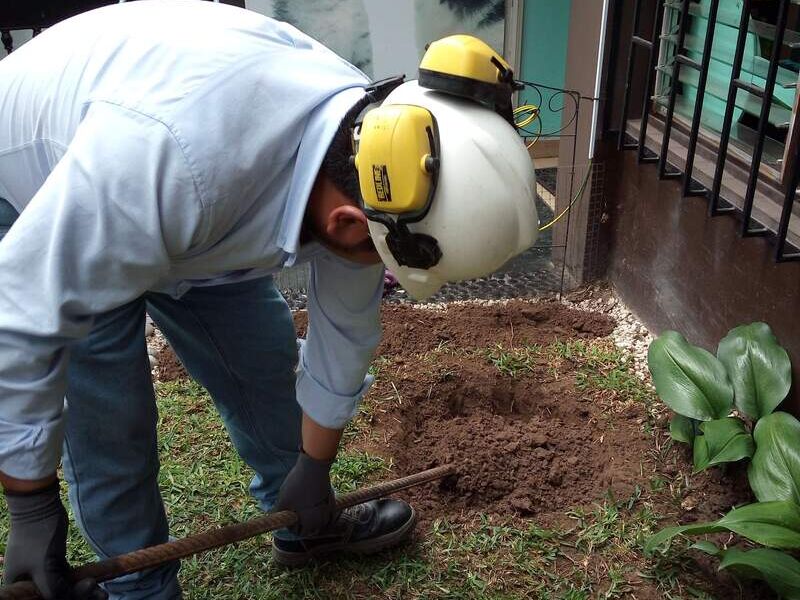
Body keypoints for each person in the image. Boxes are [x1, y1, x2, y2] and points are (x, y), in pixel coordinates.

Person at [0, 2, 538, 599]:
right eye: (380, 260)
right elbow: (24, 318)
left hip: (194, 195)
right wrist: (30, 506)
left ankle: (300, 519)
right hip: (38, 180)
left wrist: (314, 469)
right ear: (348, 224)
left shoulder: (378, 161)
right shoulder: (171, 160)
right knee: (111, 424)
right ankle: (143, 588)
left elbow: (346, 331)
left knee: (260, 356)